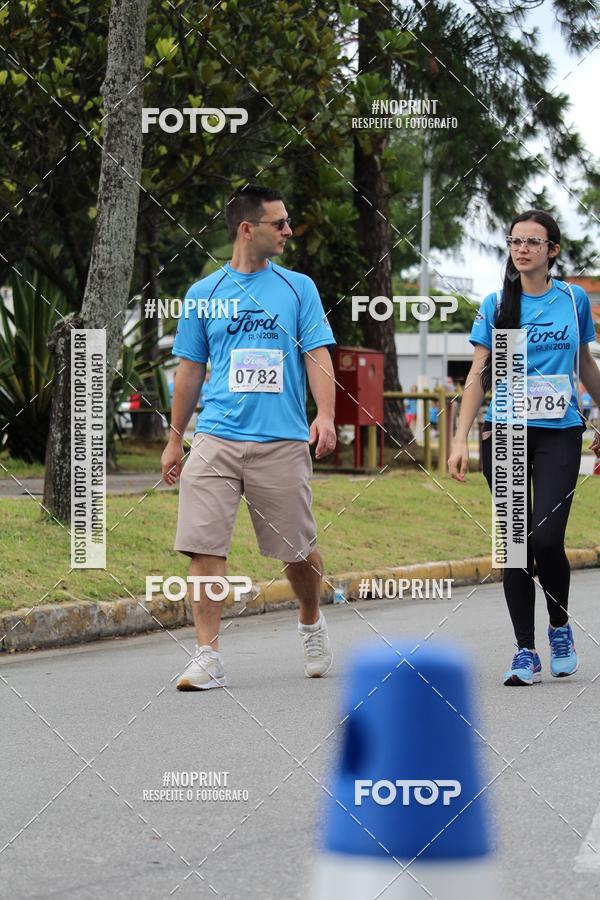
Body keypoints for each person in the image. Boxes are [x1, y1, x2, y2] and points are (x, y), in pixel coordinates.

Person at [161, 185, 337, 690]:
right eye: (278, 224)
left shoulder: (298, 288)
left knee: (297, 552)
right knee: (203, 548)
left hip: (280, 440)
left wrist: (324, 414)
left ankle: (310, 620)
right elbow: (191, 370)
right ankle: (207, 654)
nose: (288, 231)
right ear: (247, 229)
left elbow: (317, 354)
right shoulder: (204, 295)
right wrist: (177, 439)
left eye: (288, 222)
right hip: (215, 438)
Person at [448, 209, 600, 686]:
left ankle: (559, 627)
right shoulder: (496, 303)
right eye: (516, 241)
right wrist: (459, 438)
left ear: (552, 250)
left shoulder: (574, 300)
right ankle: (524, 651)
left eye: (534, 242)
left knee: (548, 539)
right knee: (514, 545)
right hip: (507, 432)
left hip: (560, 432)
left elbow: (585, 365)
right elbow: (478, 375)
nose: (523, 249)